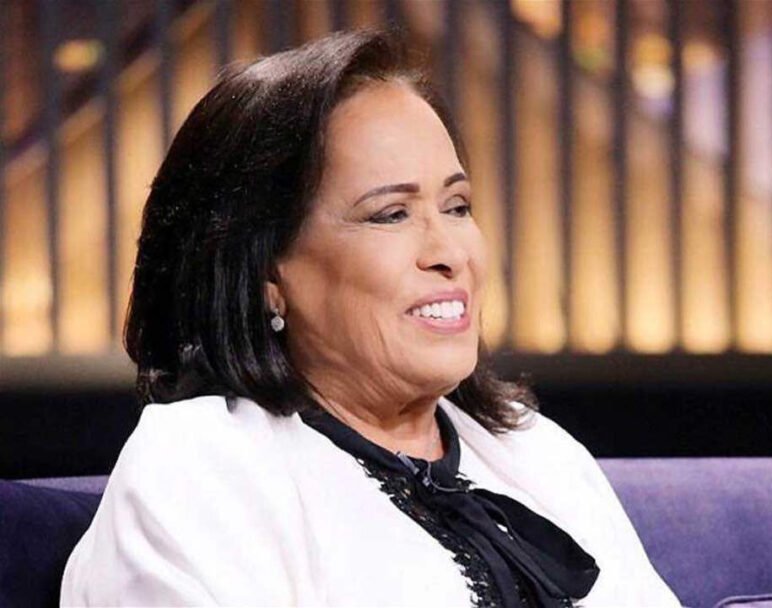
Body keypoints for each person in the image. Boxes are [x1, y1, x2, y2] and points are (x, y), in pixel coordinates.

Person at [59, 29, 679, 607]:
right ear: (268, 275)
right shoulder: (202, 469)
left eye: (457, 206)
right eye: (391, 215)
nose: (449, 252)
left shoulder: (535, 452)